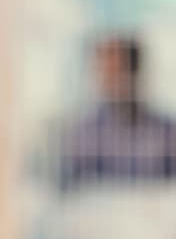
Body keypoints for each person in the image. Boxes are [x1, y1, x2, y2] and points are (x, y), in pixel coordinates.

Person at [59, 31, 176, 189]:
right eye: (105, 72)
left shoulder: (167, 132)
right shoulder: (83, 133)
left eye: (118, 71)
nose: (110, 81)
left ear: (135, 73)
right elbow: (71, 194)